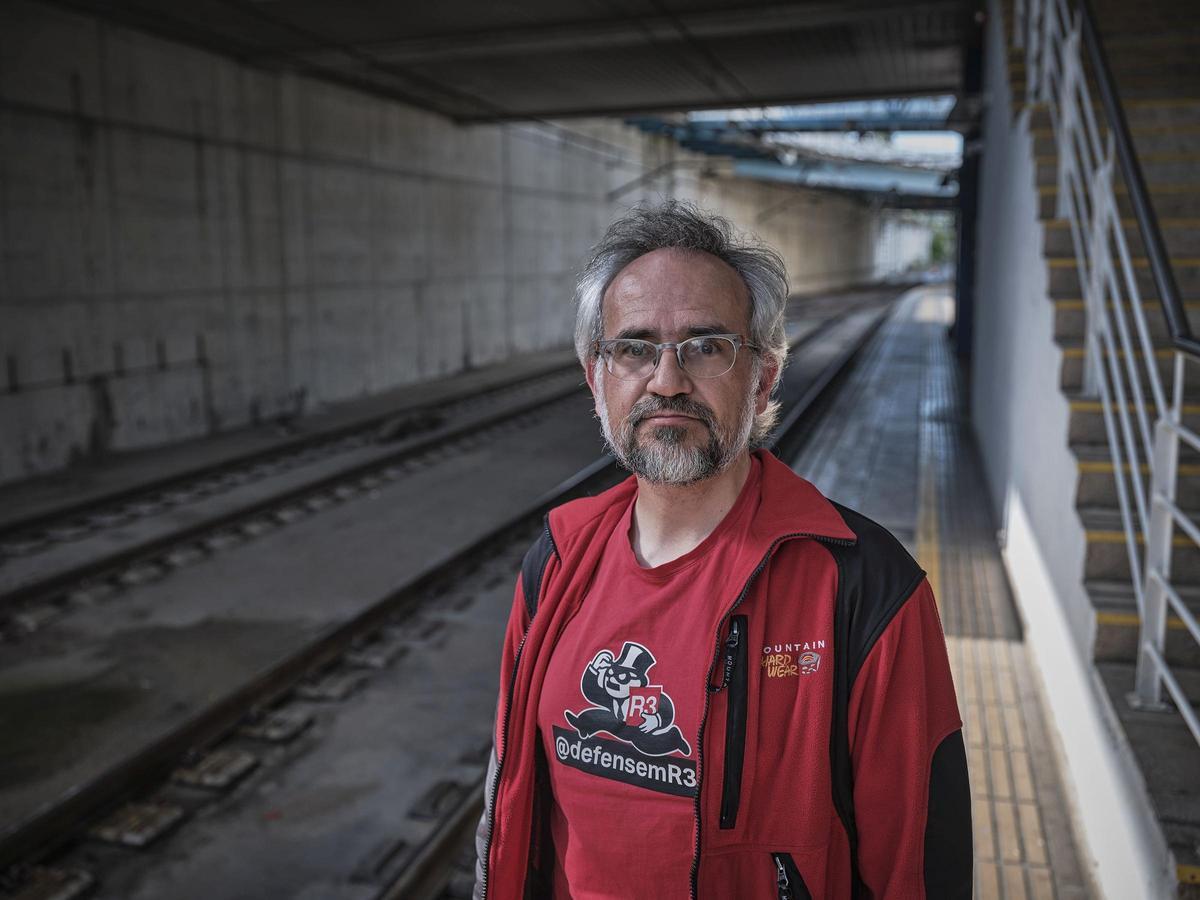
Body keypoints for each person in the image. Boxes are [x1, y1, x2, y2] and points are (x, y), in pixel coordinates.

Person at [474, 201, 971, 899]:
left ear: (763, 378)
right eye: (634, 347)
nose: (667, 380)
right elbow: (513, 808)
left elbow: (918, 867)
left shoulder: (865, 584)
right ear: (598, 380)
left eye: (707, 346)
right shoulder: (555, 562)